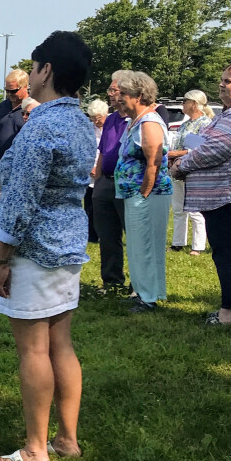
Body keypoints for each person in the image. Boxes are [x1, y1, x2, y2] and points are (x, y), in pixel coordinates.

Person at [0, 31, 96, 461]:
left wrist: (1, 260)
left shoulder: (41, 124)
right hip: (69, 242)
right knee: (61, 343)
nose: (32, 71)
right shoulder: (80, 120)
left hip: (34, 249)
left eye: (36, 64)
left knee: (34, 350)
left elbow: (24, 199)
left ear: (47, 71)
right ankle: (68, 440)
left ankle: (36, 448)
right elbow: (55, 185)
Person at [171, 62, 231, 326]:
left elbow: (217, 149)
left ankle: (229, 314)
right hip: (223, 195)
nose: (221, 85)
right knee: (226, 251)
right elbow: (208, 143)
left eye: (228, 81)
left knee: (227, 252)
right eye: (222, 80)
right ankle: (230, 308)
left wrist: (183, 164)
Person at [113, 71, 172, 312]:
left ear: (138, 96)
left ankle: (148, 298)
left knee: (146, 246)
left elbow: (153, 162)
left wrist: (144, 193)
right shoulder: (136, 122)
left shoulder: (149, 122)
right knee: (138, 246)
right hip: (135, 195)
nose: (120, 99)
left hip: (147, 195)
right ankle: (143, 290)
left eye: (124, 94)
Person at [0, 71, 31, 257]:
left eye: (14, 90)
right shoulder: (2, 107)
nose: (10, 94)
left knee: (14, 207)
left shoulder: (31, 109)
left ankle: (12, 250)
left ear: (25, 87)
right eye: (7, 90)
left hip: (19, 166)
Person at [91, 71, 132, 293]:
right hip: (105, 183)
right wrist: (97, 184)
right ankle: (112, 280)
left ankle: (139, 284)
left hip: (126, 184)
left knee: (132, 235)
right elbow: (103, 153)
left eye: (113, 90)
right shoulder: (111, 120)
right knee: (107, 235)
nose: (109, 94)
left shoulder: (137, 119)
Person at [168, 90, 214, 256]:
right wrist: (171, 157)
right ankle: (178, 242)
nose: (183, 104)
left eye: (185, 101)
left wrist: (175, 154)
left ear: (194, 104)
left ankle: (198, 246)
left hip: (194, 171)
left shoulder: (205, 124)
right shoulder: (185, 124)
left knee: (195, 210)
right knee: (179, 208)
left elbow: (200, 149)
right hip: (178, 170)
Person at [85, 100, 109, 244]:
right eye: (93, 118)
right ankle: (91, 235)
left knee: (103, 205)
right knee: (89, 204)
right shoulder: (89, 129)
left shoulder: (111, 127)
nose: (96, 121)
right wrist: (90, 167)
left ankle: (104, 233)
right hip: (90, 171)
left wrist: (100, 167)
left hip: (105, 171)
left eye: (98, 118)